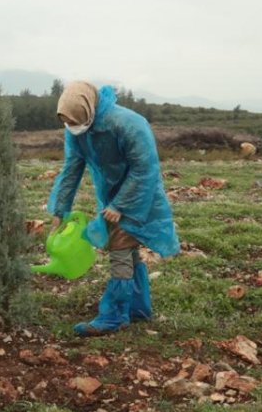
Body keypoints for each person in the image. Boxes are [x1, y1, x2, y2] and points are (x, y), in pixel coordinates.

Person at [47, 81, 179, 336]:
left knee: (120, 250)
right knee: (128, 251)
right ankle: (137, 308)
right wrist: (59, 211)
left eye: (75, 121)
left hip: (140, 196)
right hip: (110, 198)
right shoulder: (77, 131)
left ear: (89, 109)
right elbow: (71, 169)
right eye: (67, 122)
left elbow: (145, 168)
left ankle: (115, 316)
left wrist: (121, 205)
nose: (72, 127)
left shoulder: (128, 124)